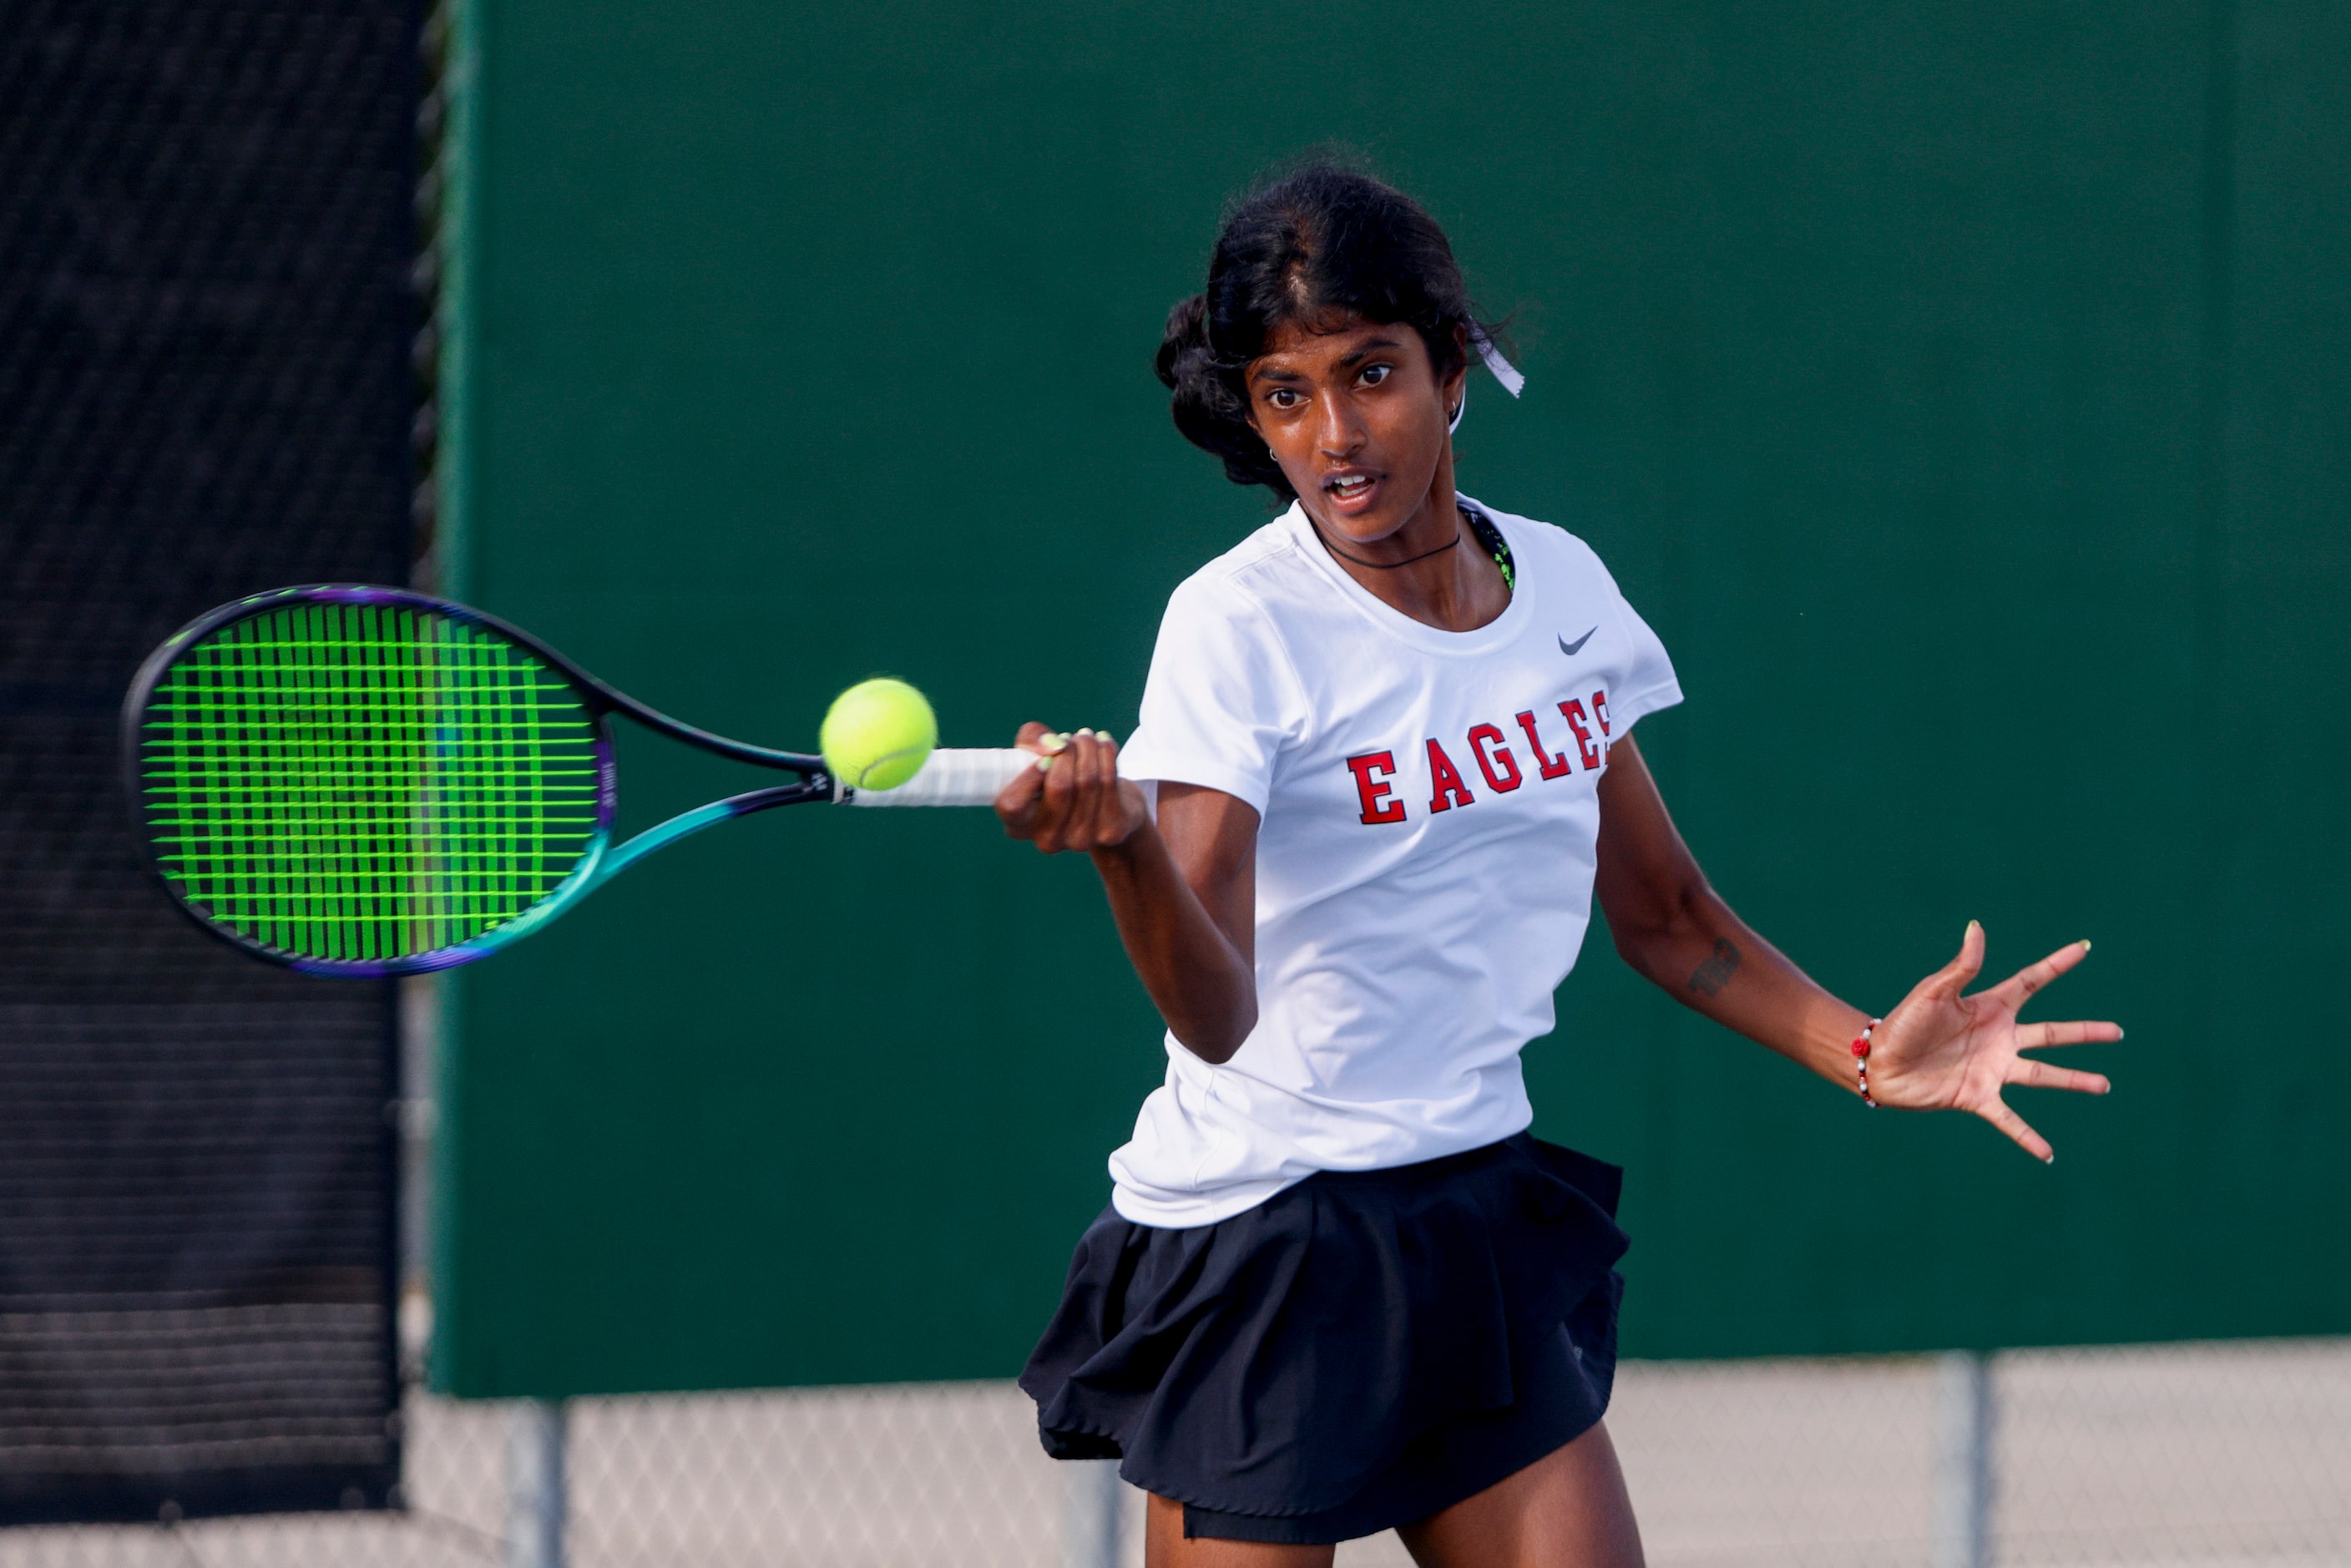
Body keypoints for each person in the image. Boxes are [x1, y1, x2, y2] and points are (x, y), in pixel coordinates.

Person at [996, 164, 2121, 1568]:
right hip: (1268, 1242)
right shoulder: (1234, 626)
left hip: (1470, 1208)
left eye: (1371, 373)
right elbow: (1216, 1016)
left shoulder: (1564, 594)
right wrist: (1123, 852)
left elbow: (1668, 916)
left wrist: (1866, 1053)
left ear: (1454, 363)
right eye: (1286, 394)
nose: (1336, 435)